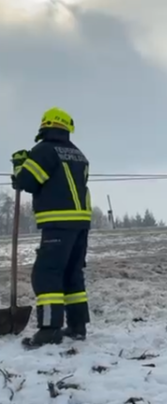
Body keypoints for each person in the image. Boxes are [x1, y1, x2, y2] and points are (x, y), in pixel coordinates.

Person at [10, 107, 91, 348]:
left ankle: (49, 329)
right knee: (72, 274)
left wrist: (19, 164)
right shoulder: (78, 154)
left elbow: (26, 182)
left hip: (57, 223)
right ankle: (78, 327)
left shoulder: (44, 151)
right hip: (81, 224)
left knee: (47, 275)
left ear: (45, 126)